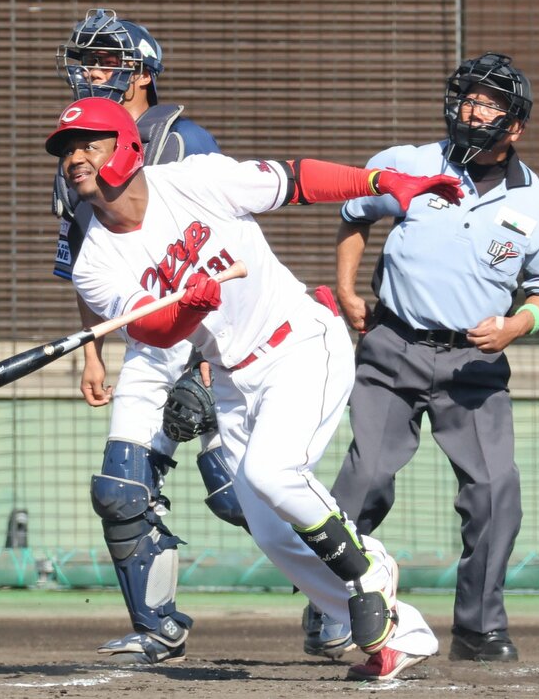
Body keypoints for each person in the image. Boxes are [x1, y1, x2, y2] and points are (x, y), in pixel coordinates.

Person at [44, 96, 464, 674]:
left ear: (128, 148)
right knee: (268, 525)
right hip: (235, 383)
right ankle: (400, 634)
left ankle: (370, 569)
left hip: (300, 344)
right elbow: (153, 329)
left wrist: (382, 179)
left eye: (90, 143)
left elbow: (296, 180)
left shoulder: (196, 180)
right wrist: (188, 311)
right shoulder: (94, 259)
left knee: (273, 473)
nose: (75, 157)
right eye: (67, 149)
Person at [325, 52, 539, 677]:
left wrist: (518, 325)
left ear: (514, 126)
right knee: (366, 478)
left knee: (496, 491)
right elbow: (355, 218)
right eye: (468, 97)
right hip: (392, 348)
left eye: (489, 103)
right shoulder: (405, 164)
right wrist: (349, 292)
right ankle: (332, 610)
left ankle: (479, 626)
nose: (473, 109)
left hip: (474, 367)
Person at [51, 9, 251, 665]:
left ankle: (342, 591)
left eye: (105, 61)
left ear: (142, 71)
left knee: (234, 489)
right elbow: (88, 269)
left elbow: (232, 249)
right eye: (84, 61)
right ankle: (158, 625)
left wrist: (207, 363)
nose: (90, 73)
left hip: (218, 332)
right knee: (121, 491)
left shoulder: (185, 139)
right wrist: (91, 352)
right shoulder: (77, 154)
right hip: (146, 341)